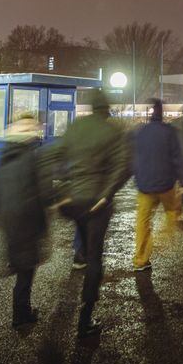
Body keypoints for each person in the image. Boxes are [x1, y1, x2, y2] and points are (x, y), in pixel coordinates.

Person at [52, 90, 131, 338]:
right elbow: (124, 165)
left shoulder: (75, 127)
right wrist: (107, 194)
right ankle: (85, 319)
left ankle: (79, 254)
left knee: (84, 241)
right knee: (95, 257)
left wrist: (62, 191)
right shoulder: (113, 131)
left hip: (74, 200)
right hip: (97, 202)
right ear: (106, 110)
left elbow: (57, 156)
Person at [0, 116, 51, 327]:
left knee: (22, 265)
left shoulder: (6, 155)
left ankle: (21, 311)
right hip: (27, 217)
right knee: (26, 269)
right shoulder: (31, 157)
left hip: (11, 218)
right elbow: (40, 191)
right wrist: (44, 222)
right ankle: (21, 314)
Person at [131, 100, 183, 271]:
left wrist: (137, 176)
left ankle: (140, 259)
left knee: (143, 221)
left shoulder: (141, 132)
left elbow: (133, 155)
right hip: (166, 185)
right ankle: (162, 239)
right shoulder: (170, 132)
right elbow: (177, 157)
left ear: (150, 114)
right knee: (172, 211)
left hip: (145, 185)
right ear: (162, 114)